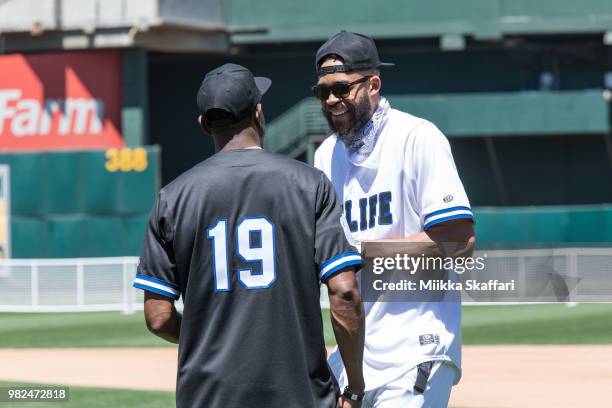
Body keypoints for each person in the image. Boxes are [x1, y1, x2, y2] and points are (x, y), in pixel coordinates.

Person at [133, 63, 366, 408]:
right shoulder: (310, 184)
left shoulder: (172, 197)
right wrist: (355, 388)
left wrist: (208, 339)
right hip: (299, 394)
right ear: (258, 114)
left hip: (207, 395)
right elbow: (344, 292)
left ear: (203, 125)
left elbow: (158, 315)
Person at [313, 32, 476, 407]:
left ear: (373, 84)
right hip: (355, 354)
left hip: (416, 347)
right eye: (323, 92)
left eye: (341, 88)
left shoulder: (417, 137)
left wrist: (362, 252)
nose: (332, 100)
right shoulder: (325, 156)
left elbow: (461, 244)